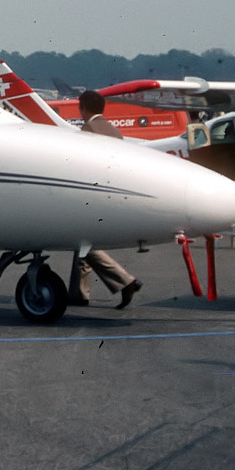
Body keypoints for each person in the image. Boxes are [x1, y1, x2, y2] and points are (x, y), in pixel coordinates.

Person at [72, 90, 143, 308]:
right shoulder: (115, 131)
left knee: (82, 242)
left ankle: (125, 281)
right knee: (82, 244)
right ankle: (79, 294)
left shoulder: (88, 130)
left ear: (83, 108)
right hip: (110, 194)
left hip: (91, 195)